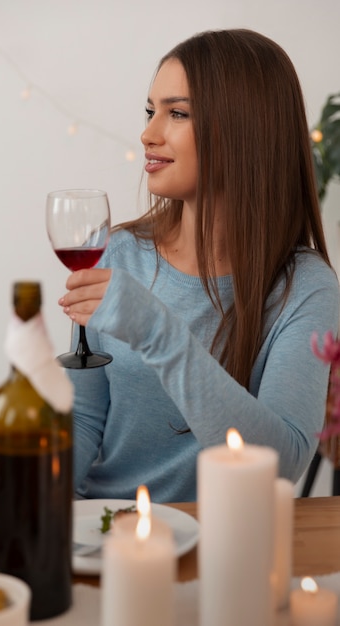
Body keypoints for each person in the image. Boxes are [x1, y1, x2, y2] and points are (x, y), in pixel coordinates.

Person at [59, 28, 340, 502]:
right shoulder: (115, 253)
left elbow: (282, 466)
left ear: (243, 129)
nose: (148, 134)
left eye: (178, 113)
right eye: (151, 112)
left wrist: (157, 331)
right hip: (106, 534)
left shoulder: (305, 288)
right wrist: (37, 512)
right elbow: (84, 419)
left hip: (227, 546)